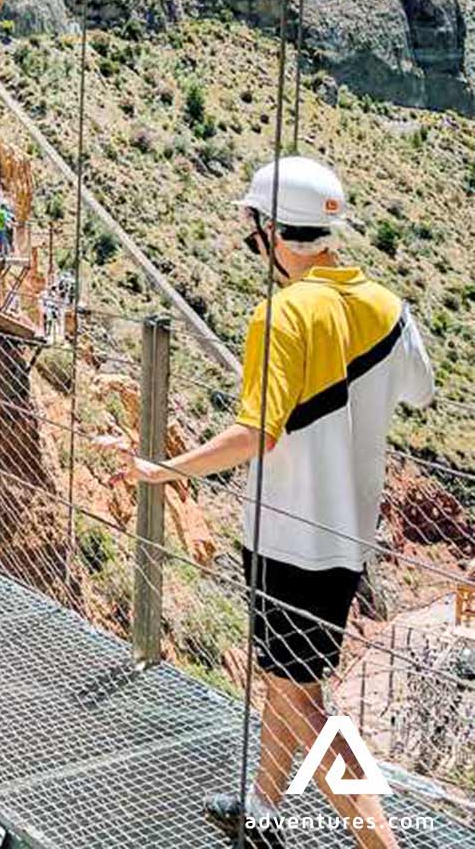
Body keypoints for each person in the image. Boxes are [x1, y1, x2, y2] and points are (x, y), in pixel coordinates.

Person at [127, 157, 433, 849]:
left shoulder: (282, 315)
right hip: (348, 539)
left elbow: (253, 435)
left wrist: (165, 469)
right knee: (284, 677)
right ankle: (263, 808)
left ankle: (379, 841)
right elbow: (420, 390)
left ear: (270, 232)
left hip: (287, 540)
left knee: (304, 699)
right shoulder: (388, 309)